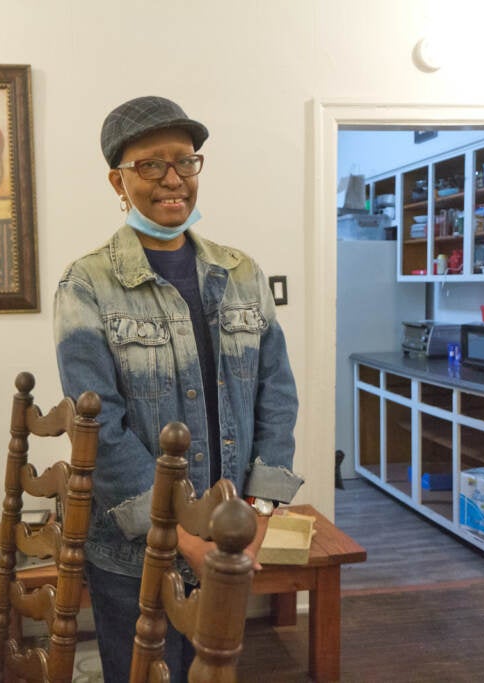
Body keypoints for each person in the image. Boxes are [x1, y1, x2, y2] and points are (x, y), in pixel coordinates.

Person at [53, 95, 303, 682]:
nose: (173, 179)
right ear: (118, 179)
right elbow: (98, 427)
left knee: (216, 668)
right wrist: (180, 535)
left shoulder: (242, 274)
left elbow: (277, 394)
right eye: (150, 165)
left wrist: (261, 510)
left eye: (185, 161)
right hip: (136, 550)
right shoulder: (86, 284)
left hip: (231, 532)